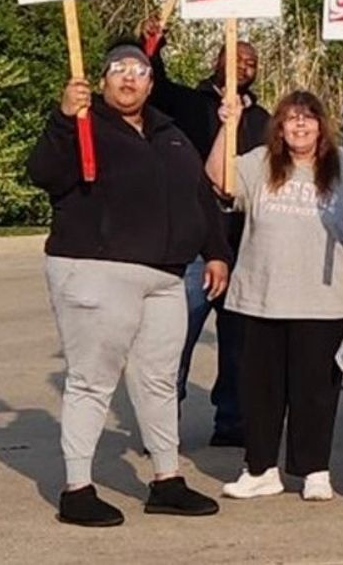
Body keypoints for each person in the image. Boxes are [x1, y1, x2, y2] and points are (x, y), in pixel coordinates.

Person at [26, 43, 230, 527]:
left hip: (165, 276)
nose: (128, 78)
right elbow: (43, 173)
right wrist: (62, 118)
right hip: (94, 269)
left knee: (158, 379)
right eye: (118, 70)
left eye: (137, 70)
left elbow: (199, 195)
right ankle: (77, 487)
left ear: (150, 81)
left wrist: (217, 250)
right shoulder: (81, 125)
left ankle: (166, 479)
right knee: (92, 379)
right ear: (101, 81)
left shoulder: (171, 134)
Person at [205, 91, 343, 503]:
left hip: (323, 300)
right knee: (260, 390)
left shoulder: (342, 167)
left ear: (321, 125)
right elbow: (217, 178)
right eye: (290, 119)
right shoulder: (260, 163)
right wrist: (227, 124)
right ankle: (260, 469)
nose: (300, 125)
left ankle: (314, 470)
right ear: (279, 128)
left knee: (315, 390)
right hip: (260, 297)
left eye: (308, 118)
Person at [144, 18, 269, 448]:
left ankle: (232, 420)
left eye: (251, 61)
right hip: (195, 237)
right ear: (218, 60)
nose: (244, 65)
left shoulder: (264, 120)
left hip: (243, 242)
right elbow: (153, 86)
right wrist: (153, 44)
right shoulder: (189, 104)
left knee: (239, 343)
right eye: (236, 57)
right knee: (176, 334)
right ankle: (162, 422)